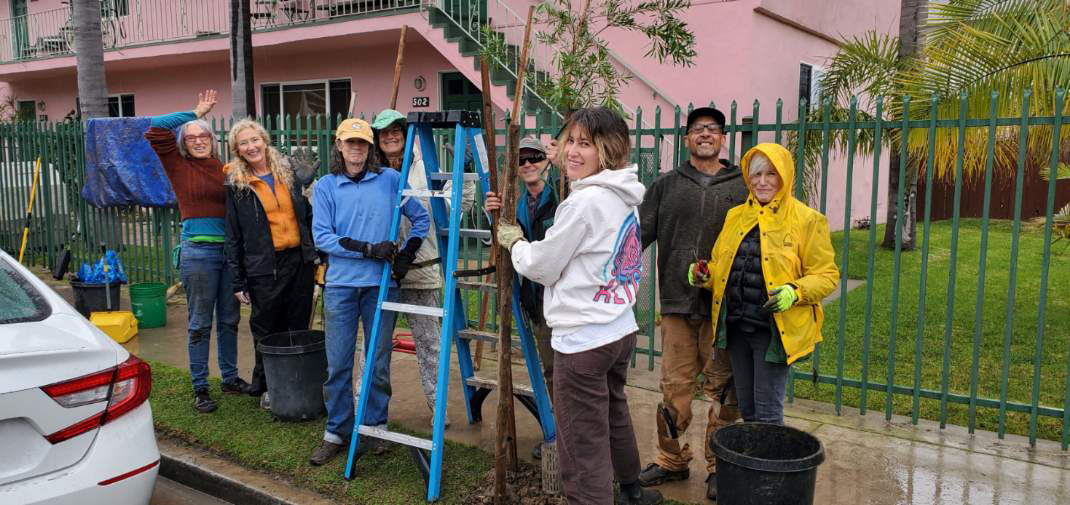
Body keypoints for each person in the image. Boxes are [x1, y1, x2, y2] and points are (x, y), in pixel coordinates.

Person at [494, 107, 662, 505]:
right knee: (613, 413)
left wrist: (515, 242)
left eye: (585, 144)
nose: (572, 151)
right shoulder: (624, 196)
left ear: (608, 150)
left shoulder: (584, 204)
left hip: (583, 340)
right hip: (618, 329)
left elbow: (542, 265)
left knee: (581, 443)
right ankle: (633, 491)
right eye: (570, 140)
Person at [636, 107, 747, 500]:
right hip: (677, 304)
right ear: (686, 139)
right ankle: (671, 460)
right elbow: (637, 237)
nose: (705, 134)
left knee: (725, 390)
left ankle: (719, 466)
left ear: (722, 139)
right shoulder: (666, 185)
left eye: (713, 129)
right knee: (675, 385)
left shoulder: (742, 186)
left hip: (725, 307)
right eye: (697, 129)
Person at [690, 143, 838, 427]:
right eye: (756, 175)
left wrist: (795, 292)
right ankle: (754, 468)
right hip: (736, 329)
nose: (762, 182)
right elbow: (723, 266)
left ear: (784, 176)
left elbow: (826, 275)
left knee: (768, 415)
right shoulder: (736, 216)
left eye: (771, 174)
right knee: (748, 409)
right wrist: (705, 275)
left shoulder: (807, 220)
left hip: (772, 332)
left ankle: (770, 469)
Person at [309, 118, 430, 466]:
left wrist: (405, 254)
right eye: (350, 143)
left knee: (378, 361)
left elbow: (419, 219)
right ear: (339, 146)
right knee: (338, 363)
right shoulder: (327, 187)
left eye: (362, 144)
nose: (356, 150)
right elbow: (323, 238)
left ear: (370, 148)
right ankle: (337, 431)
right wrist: (366, 249)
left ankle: (375, 426)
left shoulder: (391, 180)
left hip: (381, 286)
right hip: (341, 287)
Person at [145, 90, 247, 414]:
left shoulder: (226, 168)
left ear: (213, 140)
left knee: (230, 319)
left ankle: (230, 378)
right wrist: (194, 113)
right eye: (193, 137)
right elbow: (156, 128)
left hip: (228, 255)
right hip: (198, 253)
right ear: (184, 142)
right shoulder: (178, 164)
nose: (199, 140)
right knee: (200, 322)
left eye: (205, 135)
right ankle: (200, 387)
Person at [370, 108, 474, 426]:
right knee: (375, 348)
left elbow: (455, 204)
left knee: (430, 347)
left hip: (422, 269)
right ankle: (368, 411)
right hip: (381, 273)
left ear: (406, 133)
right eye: (383, 131)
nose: (390, 136)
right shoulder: (371, 174)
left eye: (396, 130)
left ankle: (437, 408)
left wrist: (465, 176)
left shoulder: (426, 169)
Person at [223, 119, 317, 409]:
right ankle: (266, 384)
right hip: (264, 266)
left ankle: (299, 379)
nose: (251, 147)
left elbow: (310, 217)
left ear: (264, 141)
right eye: (244, 143)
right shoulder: (238, 185)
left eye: (255, 140)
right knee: (266, 327)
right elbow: (233, 236)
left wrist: (307, 185)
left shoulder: (288, 173)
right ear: (237, 150)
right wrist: (238, 281)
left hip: (298, 262)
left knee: (298, 323)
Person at [483, 135, 560, 458]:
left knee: (578, 370)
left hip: (567, 299)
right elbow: (505, 244)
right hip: (537, 301)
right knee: (552, 370)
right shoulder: (514, 204)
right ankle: (564, 433)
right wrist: (494, 217)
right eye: (521, 160)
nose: (529, 164)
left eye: (535, 158)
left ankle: (582, 435)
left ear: (547, 161)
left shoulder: (564, 196)